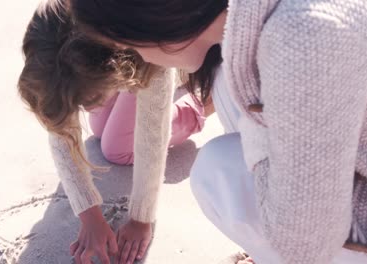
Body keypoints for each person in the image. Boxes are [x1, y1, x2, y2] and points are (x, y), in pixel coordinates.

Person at [69, 0, 367, 263]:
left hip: (345, 221)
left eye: (129, 45)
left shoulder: (301, 37)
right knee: (227, 92)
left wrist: (258, 126)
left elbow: (306, 240)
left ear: (151, 19)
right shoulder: (256, 21)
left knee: (215, 170)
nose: (140, 58)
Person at [17, 1, 218, 264]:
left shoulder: (149, 46)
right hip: (113, 62)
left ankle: (204, 103)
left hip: (166, 51)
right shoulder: (48, 44)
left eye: (90, 100)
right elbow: (60, 129)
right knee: (100, 129)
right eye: (83, 104)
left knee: (117, 149)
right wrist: (89, 215)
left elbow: (152, 135)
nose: (86, 110)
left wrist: (141, 218)